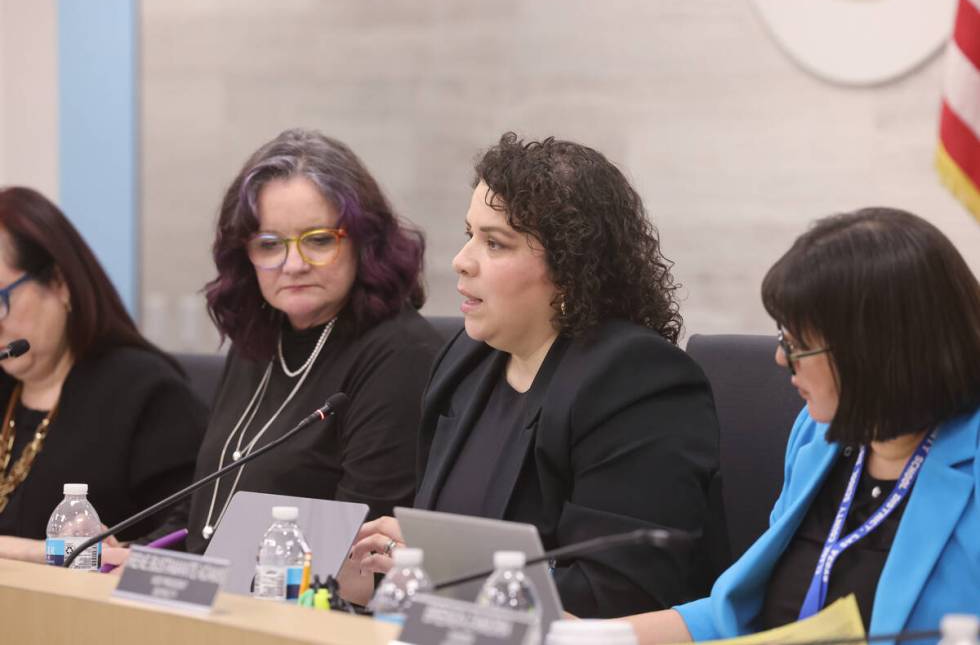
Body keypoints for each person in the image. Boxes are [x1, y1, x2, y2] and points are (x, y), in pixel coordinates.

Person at [351, 133, 720, 618]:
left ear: (570, 267)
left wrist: (435, 567)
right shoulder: (465, 360)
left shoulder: (636, 382)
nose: (462, 260)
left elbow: (616, 592)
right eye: (470, 234)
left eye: (494, 243)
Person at [625, 207, 980, 642]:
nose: (780, 359)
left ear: (874, 353)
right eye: (782, 339)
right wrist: (588, 635)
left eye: (797, 345)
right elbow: (736, 616)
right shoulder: (819, 438)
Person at [148, 129, 443, 555]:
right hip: (215, 599)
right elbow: (209, 503)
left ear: (365, 241)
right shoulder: (262, 337)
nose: (293, 264)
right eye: (269, 244)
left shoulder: (400, 354)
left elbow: (361, 541)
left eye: (319, 240)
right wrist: (140, 554)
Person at [0, 187, 206, 562]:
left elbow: (191, 528)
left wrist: (114, 555)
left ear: (60, 285)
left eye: (0, 301)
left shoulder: (145, 391)